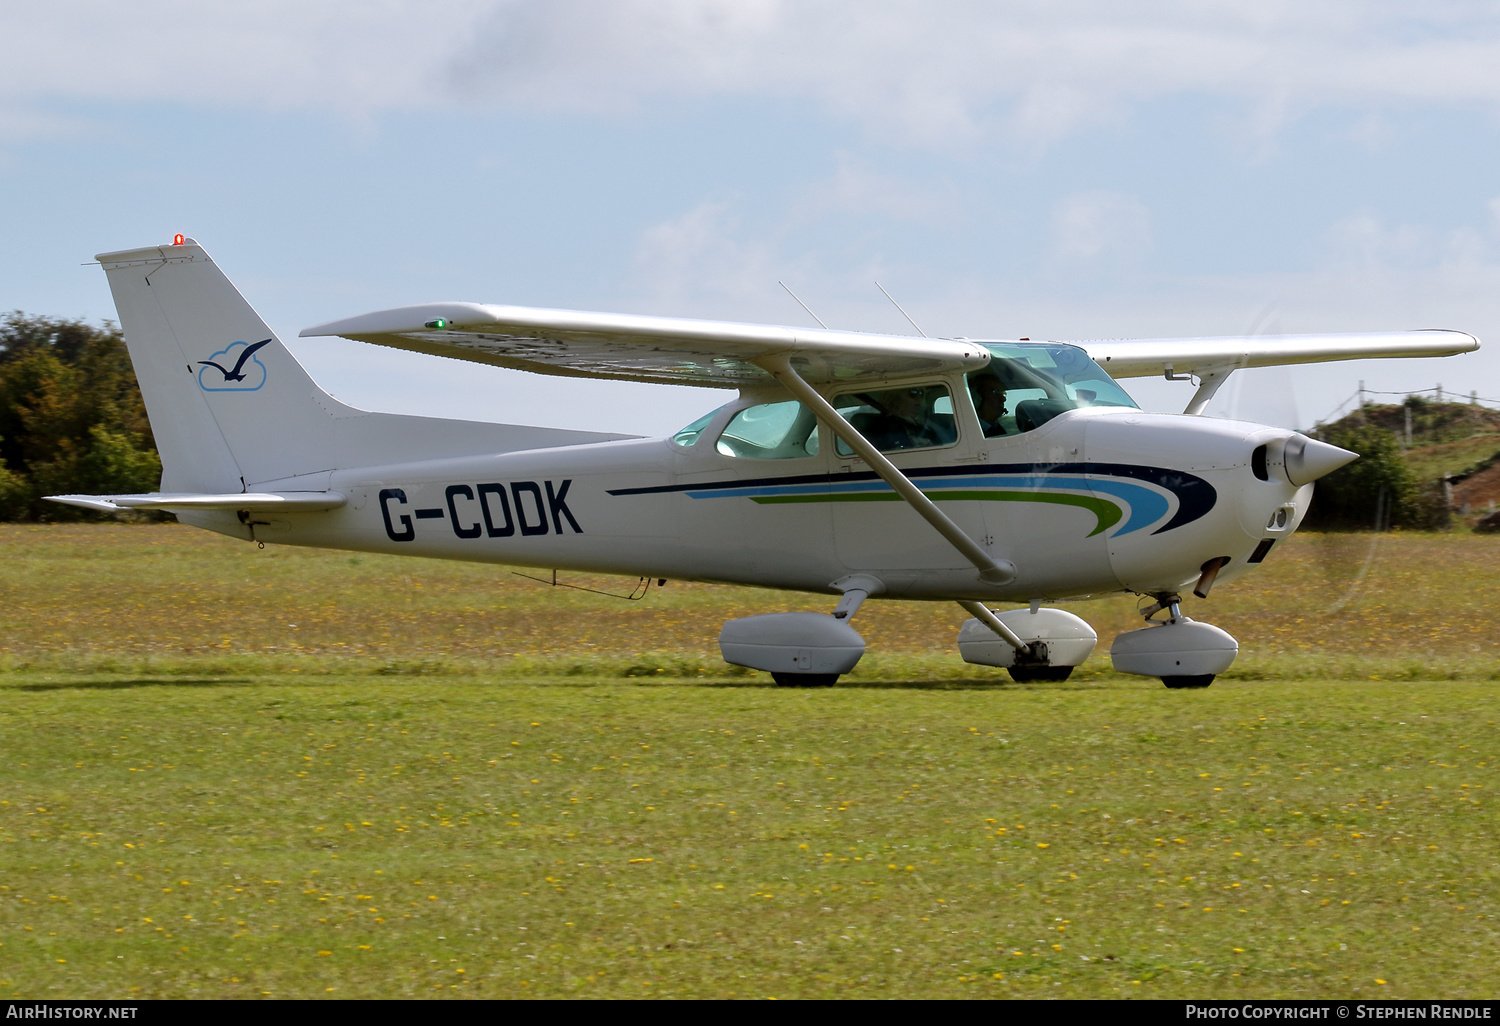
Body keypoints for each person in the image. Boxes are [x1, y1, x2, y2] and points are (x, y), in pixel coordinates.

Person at [852, 386, 956, 450]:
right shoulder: (886, 426)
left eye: (921, 393)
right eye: (913, 393)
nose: (919, 398)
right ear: (895, 398)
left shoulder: (925, 425)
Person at [969, 372, 1009, 436]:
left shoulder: (999, 429)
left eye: (1003, 393)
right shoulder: (969, 434)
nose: (1003, 399)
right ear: (976, 400)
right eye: (995, 393)